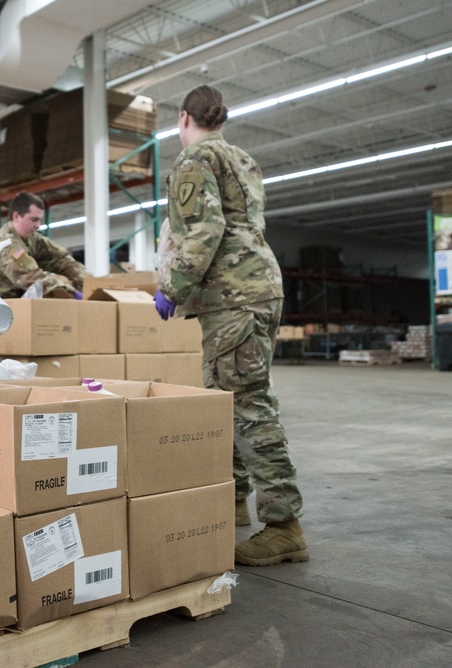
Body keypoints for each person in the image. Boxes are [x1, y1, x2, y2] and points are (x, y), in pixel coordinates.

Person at [154, 84, 308, 567]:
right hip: (259, 287)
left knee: (246, 404)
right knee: (229, 397)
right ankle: (233, 501)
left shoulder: (193, 160)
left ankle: (283, 526)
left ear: (184, 119)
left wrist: (173, 287)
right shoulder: (242, 158)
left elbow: (204, 229)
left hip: (233, 295)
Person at [0, 191, 90, 298]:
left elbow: (62, 259)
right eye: (34, 219)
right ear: (16, 216)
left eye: (39, 220)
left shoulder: (33, 239)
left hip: (13, 303)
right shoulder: (6, 242)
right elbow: (30, 277)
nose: (38, 225)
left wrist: (89, 284)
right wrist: (73, 293)